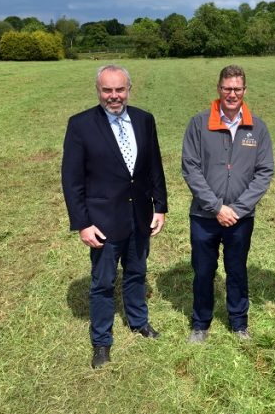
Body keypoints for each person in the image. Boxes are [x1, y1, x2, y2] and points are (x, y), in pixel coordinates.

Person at [61, 64, 168, 369]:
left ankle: (138, 321)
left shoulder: (145, 120)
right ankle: (102, 341)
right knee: (103, 282)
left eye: (119, 89)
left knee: (136, 273)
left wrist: (159, 206)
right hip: (103, 221)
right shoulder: (80, 125)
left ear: (129, 89)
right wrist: (82, 223)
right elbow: (72, 180)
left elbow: (154, 167)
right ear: (98, 91)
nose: (114, 96)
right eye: (107, 90)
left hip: (140, 216)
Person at [181, 65, 274, 343]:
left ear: (244, 91)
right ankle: (200, 324)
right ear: (218, 89)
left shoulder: (257, 128)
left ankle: (238, 323)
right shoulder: (198, 124)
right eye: (226, 88)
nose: (231, 94)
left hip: (240, 218)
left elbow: (264, 171)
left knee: (237, 270)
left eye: (237, 88)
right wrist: (217, 207)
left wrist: (239, 209)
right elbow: (191, 168)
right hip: (204, 216)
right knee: (203, 271)